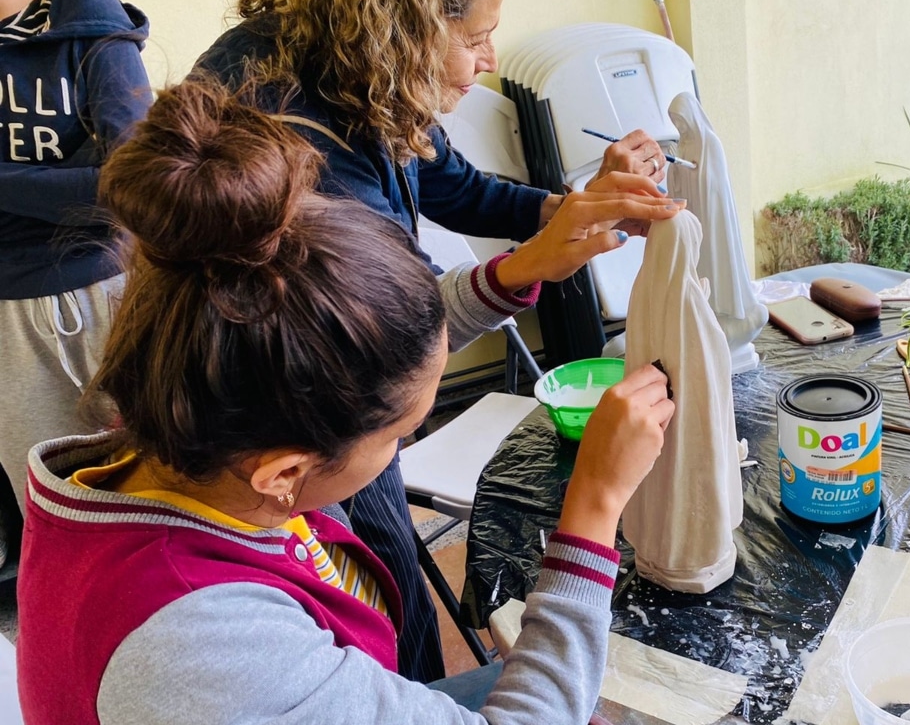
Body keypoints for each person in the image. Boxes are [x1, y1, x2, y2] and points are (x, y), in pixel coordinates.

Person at [16, 79, 675, 724]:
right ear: (285, 473)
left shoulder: (202, 415)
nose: (398, 448)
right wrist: (593, 507)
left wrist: (528, 262)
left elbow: (367, 355)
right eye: (397, 436)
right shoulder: (204, 652)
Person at [194, 0, 680, 680]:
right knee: (379, 619)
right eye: (477, 37)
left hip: (335, 408)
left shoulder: (360, 63)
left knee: (392, 599)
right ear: (410, 20)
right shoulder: (300, 152)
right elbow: (397, 342)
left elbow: (452, 184)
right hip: (293, 427)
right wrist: (528, 269)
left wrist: (571, 206)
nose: (487, 61)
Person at [0, 0, 152, 566]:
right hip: (6, 319)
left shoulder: (85, 23)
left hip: (98, 299)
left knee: (146, 503)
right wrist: (58, 183)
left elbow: (135, 182)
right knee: (54, 524)